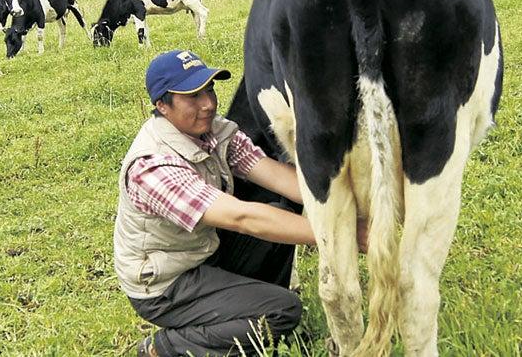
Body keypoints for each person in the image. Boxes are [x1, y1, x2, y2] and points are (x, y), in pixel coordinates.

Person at [114, 50, 365, 357]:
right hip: (166, 285)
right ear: (162, 106)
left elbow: (277, 177)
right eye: (192, 96)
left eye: (209, 89)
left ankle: (245, 308)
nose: (207, 103)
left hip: (202, 253)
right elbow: (242, 218)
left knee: (281, 214)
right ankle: (165, 348)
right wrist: (343, 234)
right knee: (282, 311)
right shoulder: (154, 167)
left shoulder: (215, 132)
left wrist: (352, 203)